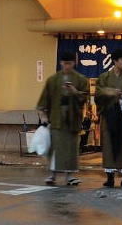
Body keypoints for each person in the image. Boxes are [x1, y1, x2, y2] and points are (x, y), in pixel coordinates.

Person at [35, 52, 89, 185]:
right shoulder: (52, 80)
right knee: (55, 147)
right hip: (56, 118)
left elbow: (84, 97)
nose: (67, 66)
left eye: (69, 63)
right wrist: (43, 116)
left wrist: (75, 92)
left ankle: (69, 175)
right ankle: (52, 175)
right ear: (61, 63)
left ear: (74, 63)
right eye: (65, 63)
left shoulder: (81, 79)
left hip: (73, 118)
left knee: (71, 148)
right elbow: (44, 100)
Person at [94, 55, 122, 187]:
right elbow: (98, 94)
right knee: (108, 145)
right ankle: (110, 177)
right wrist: (110, 93)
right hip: (109, 114)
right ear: (115, 61)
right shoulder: (104, 77)